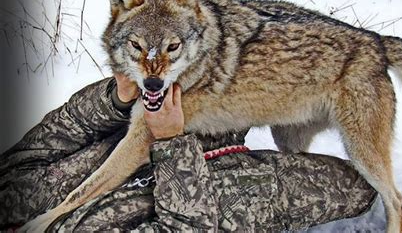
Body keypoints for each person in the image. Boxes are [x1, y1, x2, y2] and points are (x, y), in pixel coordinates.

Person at [0, 74, 376, 231]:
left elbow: (62, 131)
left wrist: (116, 98)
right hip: (239, 195)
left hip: (167, 127)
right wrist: (171, 144)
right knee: (363, 185)